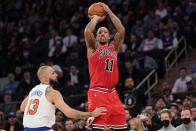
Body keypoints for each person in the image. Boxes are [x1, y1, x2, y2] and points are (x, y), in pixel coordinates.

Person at [20, 66, 106, 131]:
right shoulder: (52, 93)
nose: (56, 75)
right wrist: (92, 114)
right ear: (46, 78)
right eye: (53, 73)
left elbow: (22, 108)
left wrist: (44, 105)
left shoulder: (33, 90)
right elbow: (69, 113)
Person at [84, 2, 127, 130]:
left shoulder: (114, 48)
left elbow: (121, 30)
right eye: (99, 32)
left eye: (105, 32)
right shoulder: (93, 48)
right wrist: (96, 19)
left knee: (122, 127)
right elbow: (87, 32)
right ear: (96, 37)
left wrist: (109, 12)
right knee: (99, 128)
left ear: (109, 36)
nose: (102, 33)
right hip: (98, 92)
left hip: (113, 93)